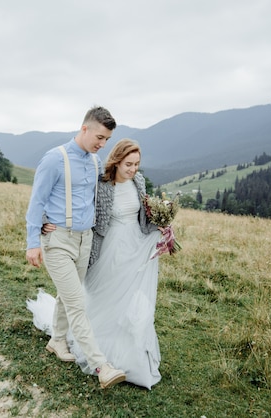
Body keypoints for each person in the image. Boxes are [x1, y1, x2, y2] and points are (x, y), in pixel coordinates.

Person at [29, 138, 163, 389]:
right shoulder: (101, 183)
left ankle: (127, 348)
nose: (133, 169)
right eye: (128, 164)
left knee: (128, 298)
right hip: (107, 248)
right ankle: (95, 349)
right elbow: (68, 196)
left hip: (134, 247)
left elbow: (144, 218)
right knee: (101, 295)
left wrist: (162, 226)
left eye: (137, 164)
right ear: (117, 161)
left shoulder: (139, 182)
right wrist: (45, 219)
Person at [25, 106, 126, 389]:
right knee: (77, 303)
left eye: (106, 139)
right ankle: (102, 366)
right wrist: (33, 242)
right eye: (100, 137)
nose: (102, 144)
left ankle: (57, 340)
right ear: (85, 129)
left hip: (85, 239)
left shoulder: (95, 161)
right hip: (57, 240)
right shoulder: (54, 159)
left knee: (67, 296)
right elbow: (36, 202)